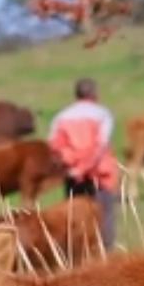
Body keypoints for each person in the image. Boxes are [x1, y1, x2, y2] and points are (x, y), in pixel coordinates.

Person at [47, 77, 119, 251]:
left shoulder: (61, 117)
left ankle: (76, 256)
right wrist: (84, 168)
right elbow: (100, 146)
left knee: (74, 219)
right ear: (95, 94)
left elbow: (54, 147)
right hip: (100, 177)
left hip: (73, 177)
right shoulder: (102, 114)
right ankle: (104, 257)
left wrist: (73, 168)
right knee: (104, 218)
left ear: (76, 94)